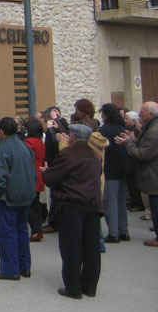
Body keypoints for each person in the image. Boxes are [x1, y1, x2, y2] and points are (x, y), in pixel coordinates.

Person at [43, 124, 103, 298]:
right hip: (92, 204)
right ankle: (90, 286)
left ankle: (73, 287)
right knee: (91, 246)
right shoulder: (95, 155)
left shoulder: (69, 154)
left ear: (73, 136)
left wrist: (47, 172)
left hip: (72, 204)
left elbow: (52, 178)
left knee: (72, 247)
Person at [0, 117, 36, 281]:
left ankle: (10, 269)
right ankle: (25, 266)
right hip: (25, 194)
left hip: (8, 196)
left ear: (1, 131)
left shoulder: (4, 148)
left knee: (6, 232)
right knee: (22, 229)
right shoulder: (24, 146)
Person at [115, 101, 158, 247]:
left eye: (143, 112)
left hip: (154, 174)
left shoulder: (154, 130)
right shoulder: (151, 127)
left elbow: (143, 154)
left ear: (151, 114)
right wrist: (133, 140)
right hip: (153, 174)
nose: (140, 114)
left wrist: (128, 143)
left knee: (156, 206)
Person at [99, 103, 129, 243]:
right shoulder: (121, 128)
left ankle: (113, 233)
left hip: (110, 168)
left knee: (110, 201)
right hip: (122, 167)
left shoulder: (104, 130)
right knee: (120, 200)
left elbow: (105, 149)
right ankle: (123, 230)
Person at [23, 118, 46, 242]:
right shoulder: (39, 141)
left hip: (31, 175)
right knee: (35, 204)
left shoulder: (29, 142)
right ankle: (38, 230)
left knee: (28, 205)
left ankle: (36, 229)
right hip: (38, 173)